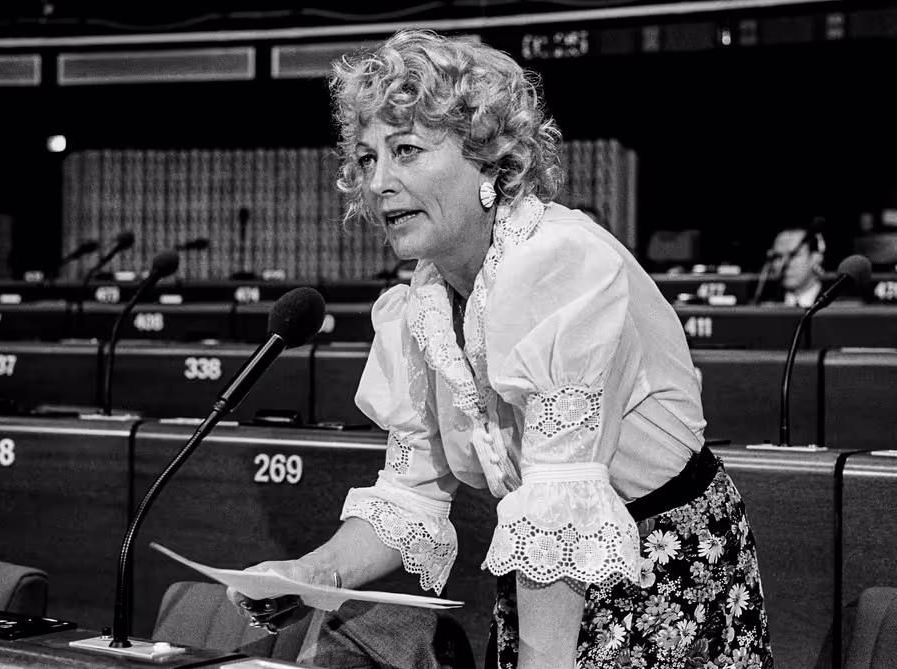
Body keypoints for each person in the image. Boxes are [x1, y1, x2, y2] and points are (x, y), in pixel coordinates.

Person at [231, 29, 774, 669]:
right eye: (368, 158)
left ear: (490, 161)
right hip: (544, 576)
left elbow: (562, 499)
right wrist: (312, 571)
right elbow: (410, 495)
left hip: (668, 568)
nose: (379, 182)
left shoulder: (560, 263)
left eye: (406, 149)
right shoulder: (422, 303)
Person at [754, 224, 826, 307]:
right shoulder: (763, 306)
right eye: (778, 256)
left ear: (815, 258)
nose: (783, 264)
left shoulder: (839, 306)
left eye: (793, 255)